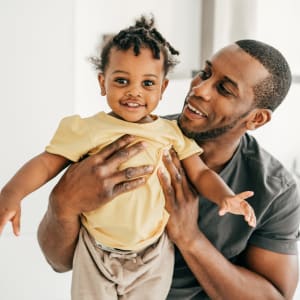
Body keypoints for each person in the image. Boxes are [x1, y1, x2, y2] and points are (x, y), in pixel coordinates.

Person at [0, 16, 256, 299]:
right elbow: (46, 163)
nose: (134, 91)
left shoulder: (172, 134)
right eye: (122, 81)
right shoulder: (87, 129)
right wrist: (11, 194)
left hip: (153, 253)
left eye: (148, 83)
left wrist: (225, 196)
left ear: (163, 88)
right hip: (95, 249)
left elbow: (201, 174)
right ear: (102, 82)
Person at [37, 38, 300, 299]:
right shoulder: (131, 139)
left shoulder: (277, 191)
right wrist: (62, 205)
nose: (200, 89)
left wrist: (189, 238)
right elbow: (59, 262)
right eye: (205, 73)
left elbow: (273, 297)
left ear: (256, 118)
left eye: (224, 89)